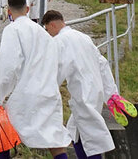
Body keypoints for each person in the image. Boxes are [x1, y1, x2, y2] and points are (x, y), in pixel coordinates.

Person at [0, 0, 71, 159]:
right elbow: (57, 63)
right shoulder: (43, 33)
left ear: (9, 11)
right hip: (48, 92)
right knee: (54, 141)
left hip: (26, 94)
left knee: (4, 133)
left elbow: (8, 66)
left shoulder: (12, 30)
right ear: (27, 9)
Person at [43, 10, 119, 159]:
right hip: (95, 90)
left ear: (52, 25)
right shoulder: (83, 37)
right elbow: (102, 63)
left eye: (47, 30)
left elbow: (57, 70)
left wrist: (46, 92)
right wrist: (112, 93)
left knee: (92, 139)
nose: (48, 34)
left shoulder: (59, 41)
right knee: (75, 133)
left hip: (82, 94)